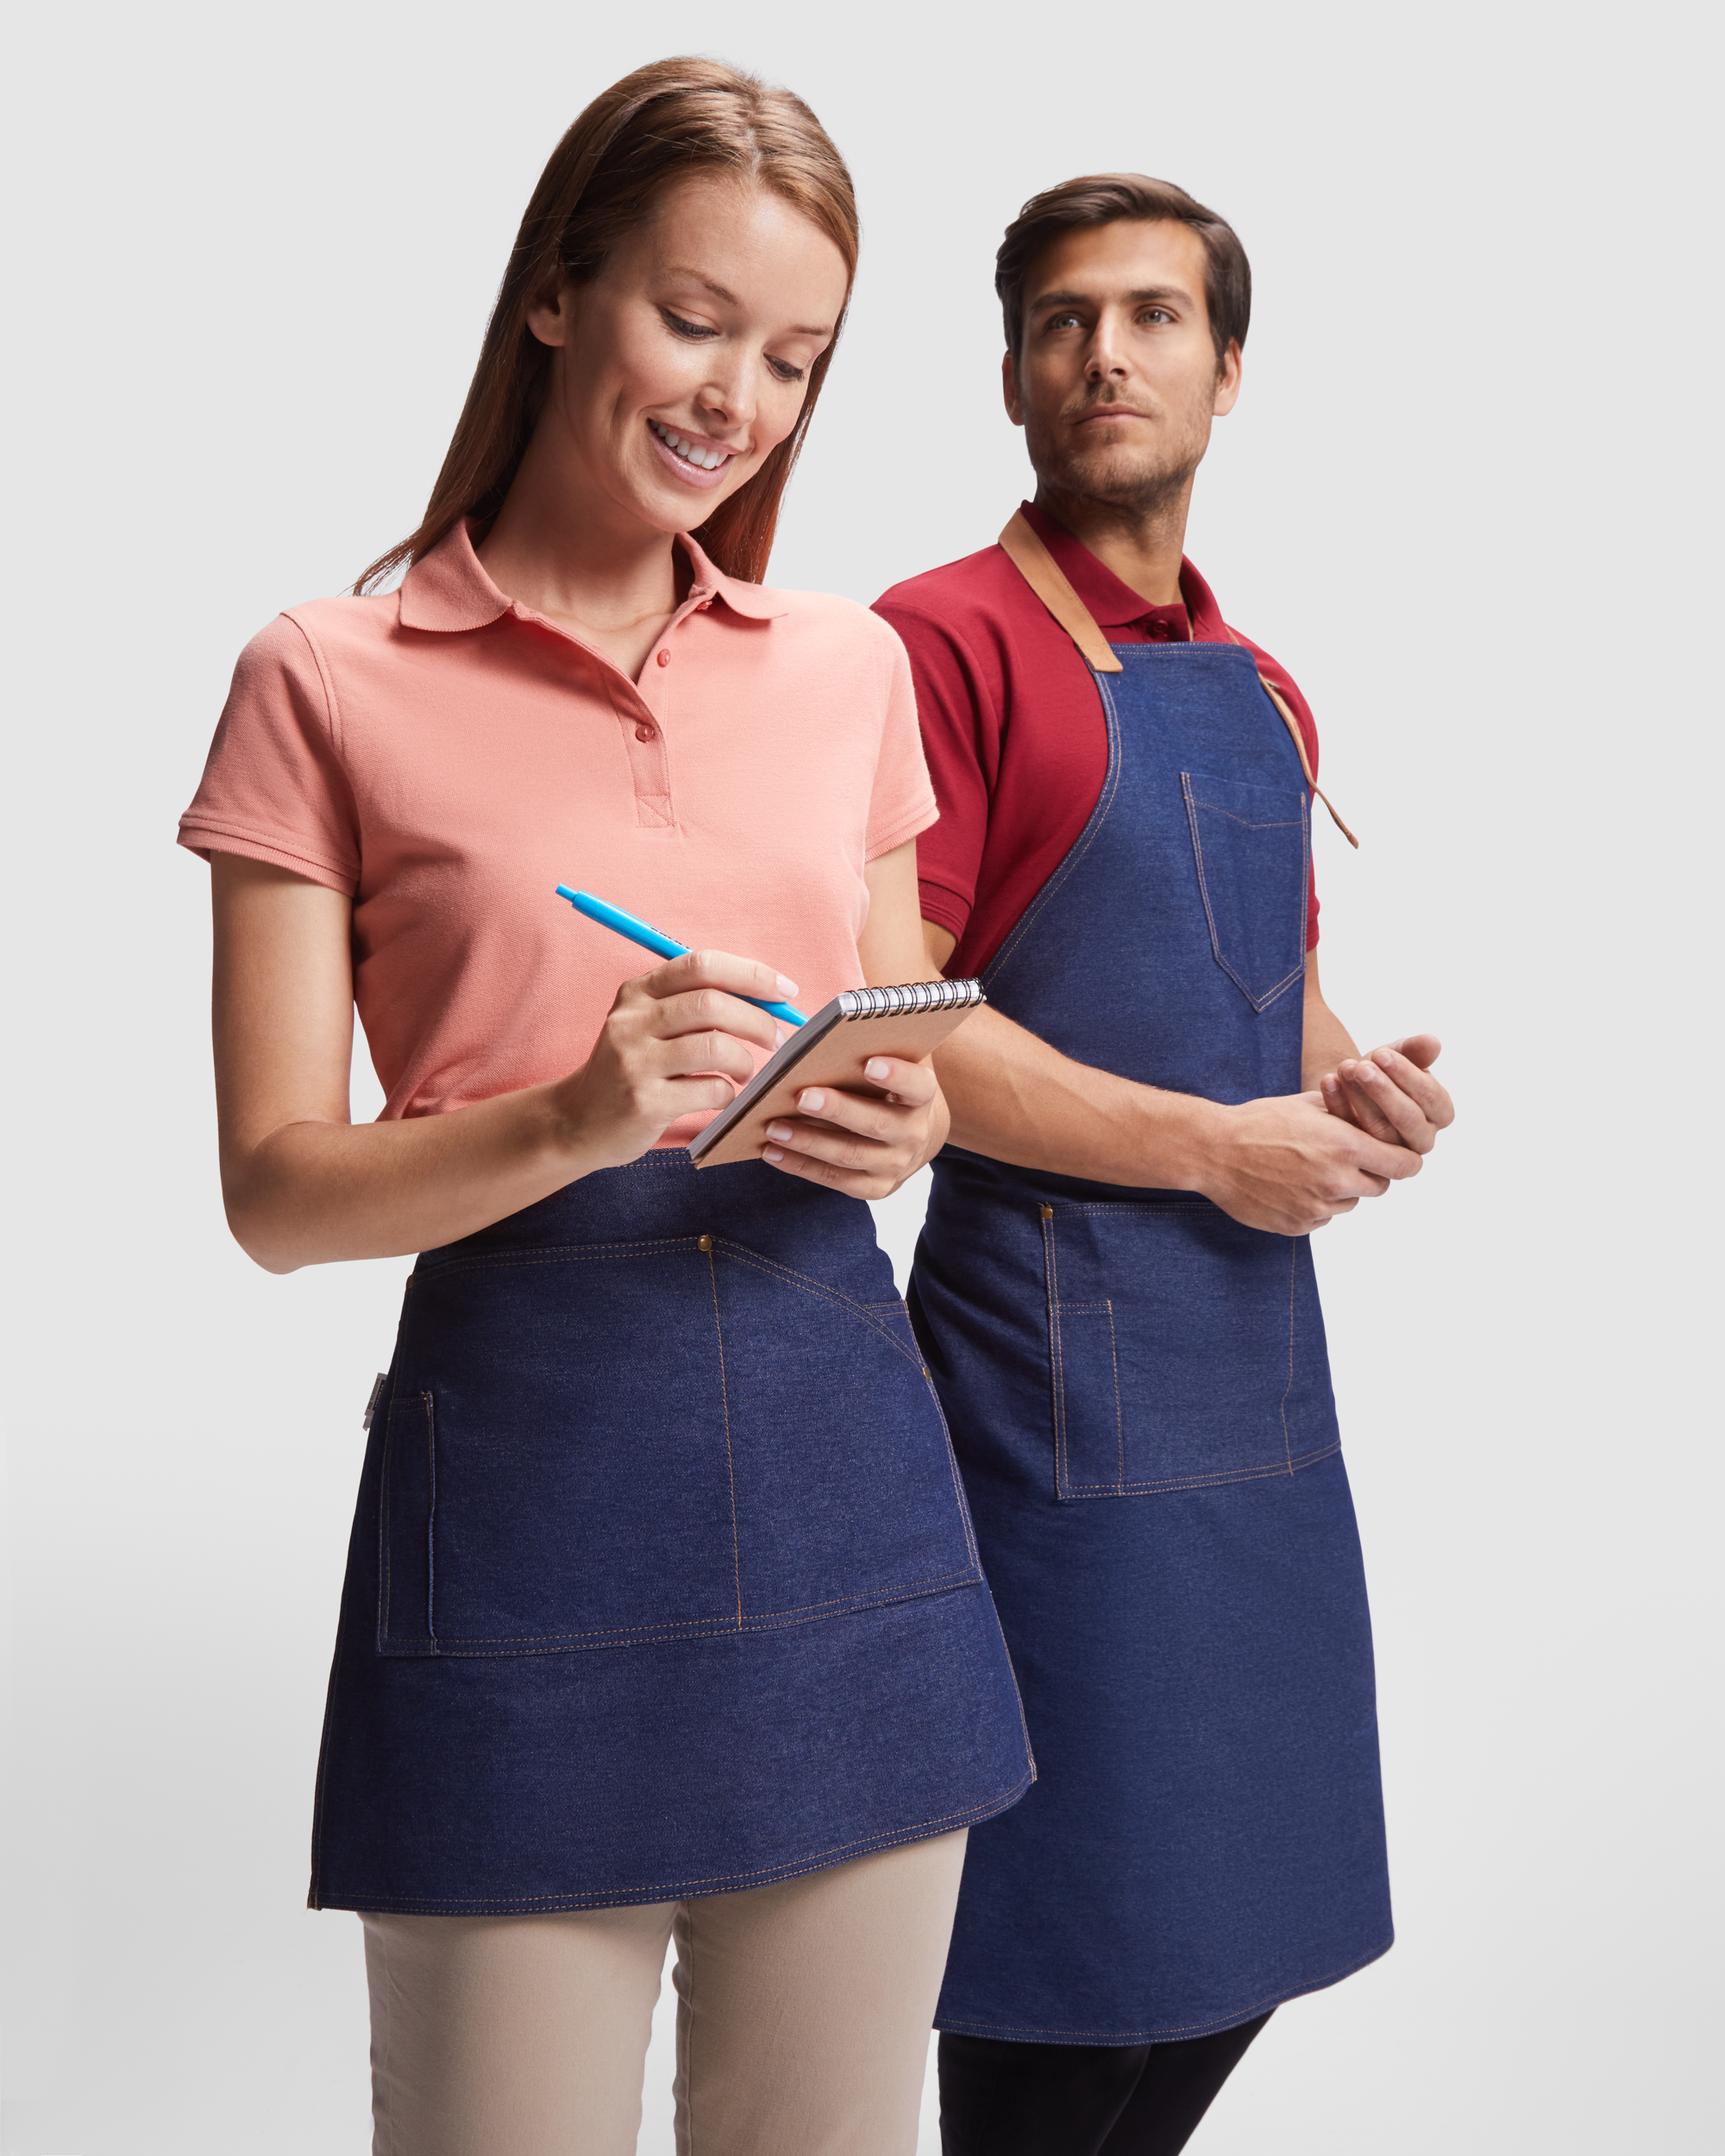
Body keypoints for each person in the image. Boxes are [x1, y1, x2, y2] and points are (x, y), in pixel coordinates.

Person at [178, 60, 1032, 2156]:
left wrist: (898, 1122)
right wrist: (573, 1113)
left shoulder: (845, 667)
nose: (740, 394)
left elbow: (897, 1032)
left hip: (847, 1478)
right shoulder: (325, 672)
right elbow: (276, 1192)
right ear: (556, 292)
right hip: (526, 1490)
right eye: (694, 317)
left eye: (795, 356)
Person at [874, 174, 1455, 2155]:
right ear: (1011, 377)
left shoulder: (1263, 684)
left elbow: (1267, 1000)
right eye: (1060, 320)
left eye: (1149, 314)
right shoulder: (933, 644)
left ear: (1228, 368)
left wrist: (1353, 1090)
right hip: (1035, 1389)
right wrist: (1212, 1147)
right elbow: (904, 1025)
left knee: (1241, 1925)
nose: (1103, 353)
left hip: (1251, 1376)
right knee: (1059, 1950)